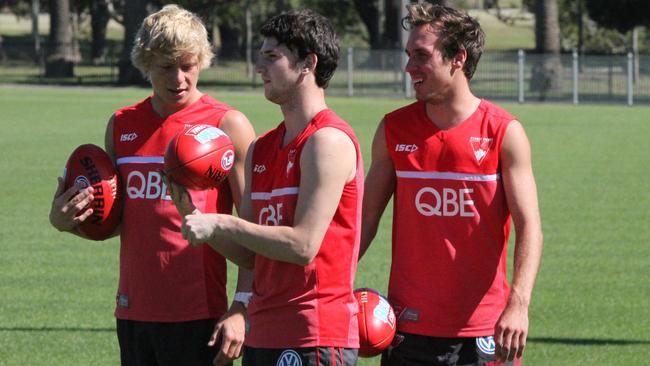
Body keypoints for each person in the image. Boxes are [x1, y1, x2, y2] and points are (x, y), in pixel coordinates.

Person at [49, 5, 256, 366]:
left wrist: (242, 305)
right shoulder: (121, 125)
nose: (178, 78)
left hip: (198, 313)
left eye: (188, 65)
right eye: (165, 67)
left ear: (202, 61)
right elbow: (118, 220)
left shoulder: (227, 125)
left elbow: (252, 230)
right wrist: (67, 222)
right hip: (132, 309)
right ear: (145, 63)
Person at [167, 9, 363, 366]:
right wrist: (192, 213)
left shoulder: (327, 141)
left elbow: (303, 245)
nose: (260, 66)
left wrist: (221, 222)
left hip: (314, 334)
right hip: (264, 331)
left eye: (272, 57)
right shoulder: (262, 148)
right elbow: (248, 255)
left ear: (308, 63)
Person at [358, 3, 543, 366]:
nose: (409, 67)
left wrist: (518, 305)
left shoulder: (504, 132)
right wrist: (330, 290)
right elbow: (363, 221)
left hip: (485, 330)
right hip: (406, 328)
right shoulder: (393, 130)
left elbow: (530, 228)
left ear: (458, 58)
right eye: (408, 54)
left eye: (422, 56)